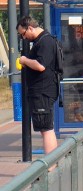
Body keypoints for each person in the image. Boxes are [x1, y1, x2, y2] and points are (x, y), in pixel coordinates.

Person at [16, 16, 60, 155]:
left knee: (46, 129)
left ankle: (51, 167)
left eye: (23, 34)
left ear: (30, 28)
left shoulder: (45, 42)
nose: (24, 37)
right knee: (45, 128)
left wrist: (24, 60)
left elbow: (40, 65)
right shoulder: (45, 40)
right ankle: (51, 164)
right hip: (43, 91)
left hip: (43, 91)